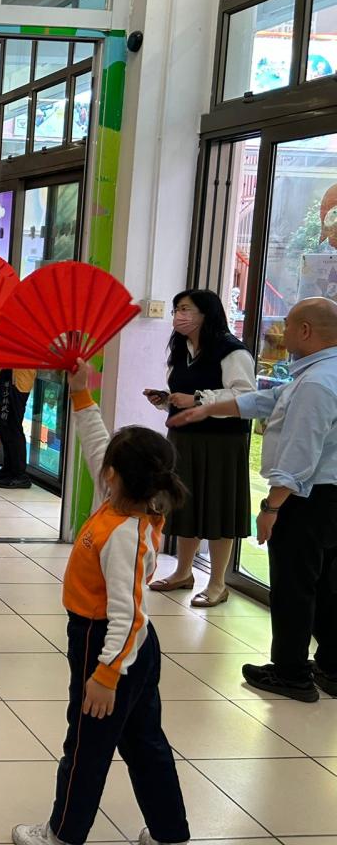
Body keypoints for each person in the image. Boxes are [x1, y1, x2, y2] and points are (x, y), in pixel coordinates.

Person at [13, 358, 188, 845]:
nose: (101, 465)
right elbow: (96, 444)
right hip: (128, 649)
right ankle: (170, 833)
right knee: (144, 741)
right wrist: (80, 392)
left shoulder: (126, 532)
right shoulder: (121, 501)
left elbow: (129, 615)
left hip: (107, 645)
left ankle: (63, 833)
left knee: (86, 745)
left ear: (113, 475)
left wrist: (106, 674)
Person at [170, 296, 337, 702]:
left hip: (308, 497)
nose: (279, 334)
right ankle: (332, 667)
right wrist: (207, 408)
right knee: (328, 585)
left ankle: (291, 673)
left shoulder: (317, 383)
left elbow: (301, 452)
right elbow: (267, 400)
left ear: (305, 331)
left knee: (294, 586)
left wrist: (272, 506)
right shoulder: (319, 372)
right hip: (326, 496)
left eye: (287, 325)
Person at [144, 289, 254, 608]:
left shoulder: (232, 351)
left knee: (219, 508)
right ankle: (183, 572)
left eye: (185, 309)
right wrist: (166, 400)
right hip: (184, 439)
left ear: (206, 314)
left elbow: (245, 397)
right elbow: (181, 393)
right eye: (176, 309)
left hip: (222, 442)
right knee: (185, 505)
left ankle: (218, 583)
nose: (178, 316)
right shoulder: (181, 349)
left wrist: (197, 399)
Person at [0, 367, 37, 489]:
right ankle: (9, 468)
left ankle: (20, 474)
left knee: (13, 426)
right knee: (3, 424)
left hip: (18, 380)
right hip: (7, 375)